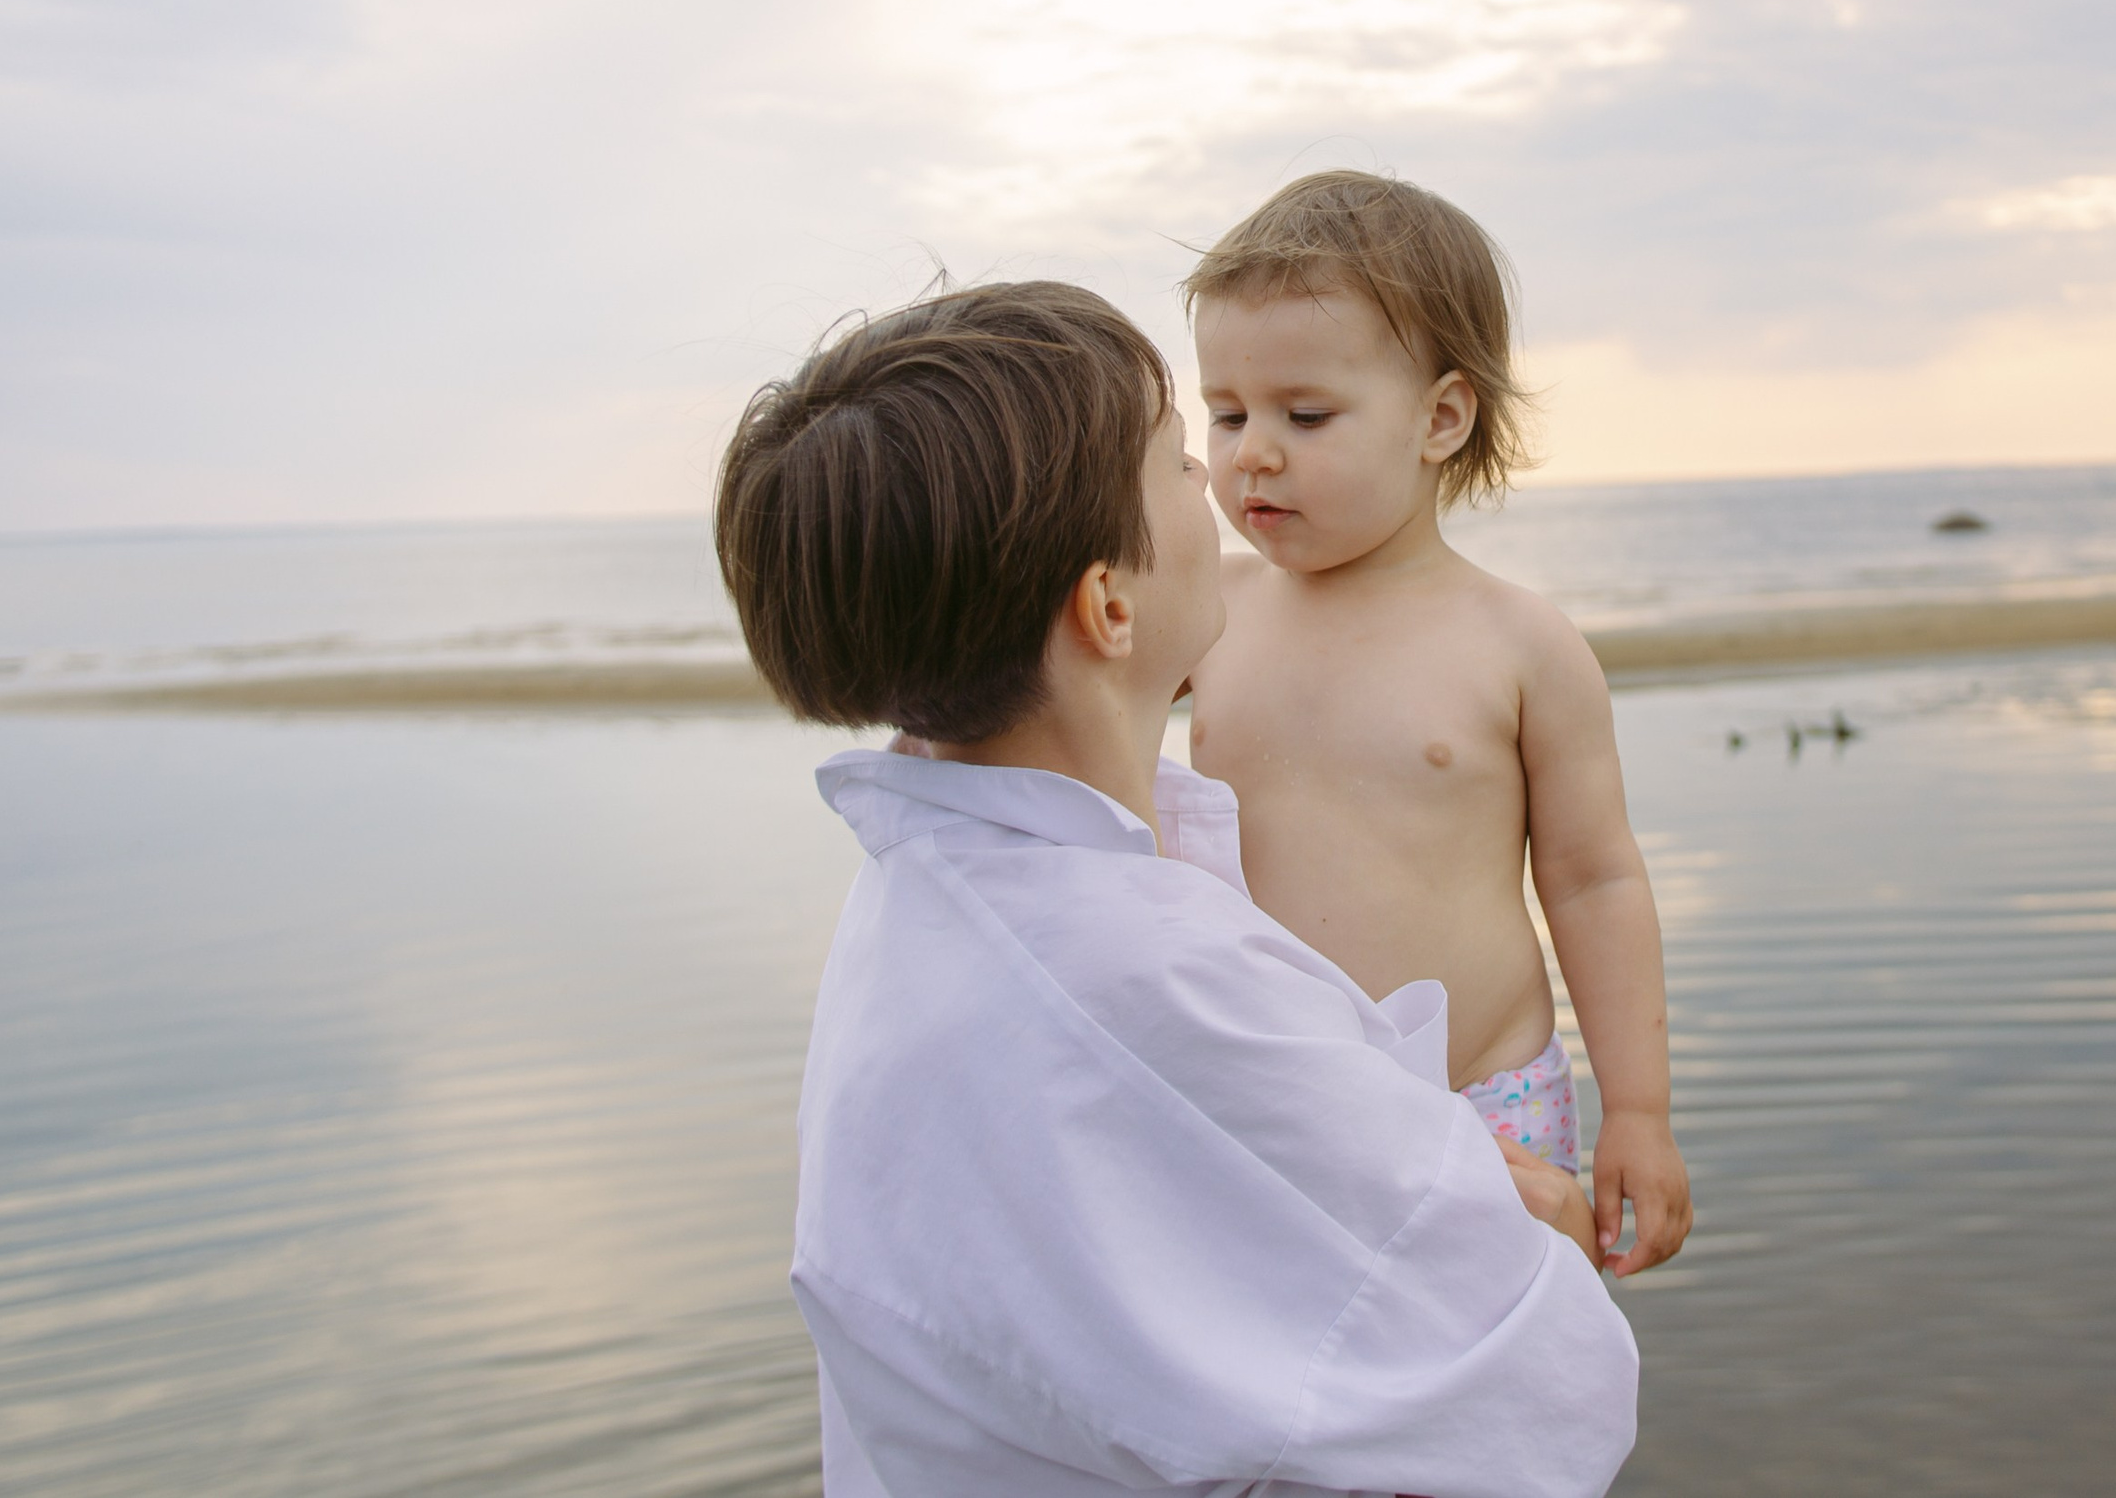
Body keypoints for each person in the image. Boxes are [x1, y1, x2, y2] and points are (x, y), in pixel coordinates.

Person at [714, 281, 1638, 1497]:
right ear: (1109, 604)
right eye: (1176, 456)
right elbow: (1537, 1396)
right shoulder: (1146, 982)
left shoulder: (925, 897)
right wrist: (1539, 1229)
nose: (1223, 479)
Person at [1183, 172, 1694, 1275]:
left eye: (1303, 415)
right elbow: (1047, 688)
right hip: (1274, 1110)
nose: (1250, 452)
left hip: (1484, 1099)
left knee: (1496, 1394)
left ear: (1441, 417)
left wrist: (1638, 1111)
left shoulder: (1517, 644)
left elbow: (1594, 876)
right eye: (1225, 414)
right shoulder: (1203, 610)